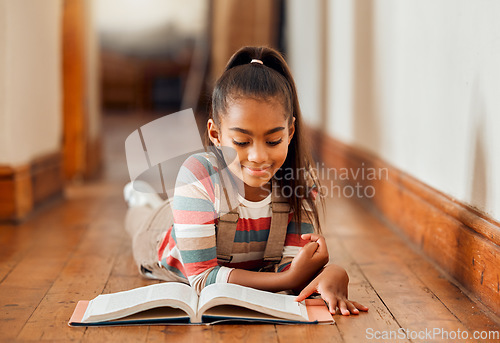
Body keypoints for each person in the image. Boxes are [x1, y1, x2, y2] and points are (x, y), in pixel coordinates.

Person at [124, 46, 368, 316]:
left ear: (290, 132)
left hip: (196, 210)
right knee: (138, 217)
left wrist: (334, 272)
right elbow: (203, 279)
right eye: (241, 141)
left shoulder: (301, 182)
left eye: (274, 140)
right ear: (215, 135)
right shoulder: (198, 174)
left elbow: (291, 265)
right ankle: (140, 198)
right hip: (160, 233)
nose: (258, 156)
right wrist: (287, 280)